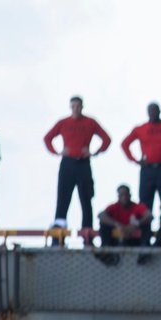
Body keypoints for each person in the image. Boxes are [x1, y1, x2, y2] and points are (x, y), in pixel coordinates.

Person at [44, 96, 111, 241]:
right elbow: (47, 138)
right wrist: (57, 152)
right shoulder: (63, 123)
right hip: (67, 163)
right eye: (73, 106)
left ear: (82, 107)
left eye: (78, 106)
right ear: (70, 107)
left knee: (86, 198)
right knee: (63, 198)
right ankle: (58, 235)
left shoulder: (90, 122)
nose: (76, 109)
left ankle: (87, 234)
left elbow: (107, 139)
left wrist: (95, 152)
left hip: (83, 164)